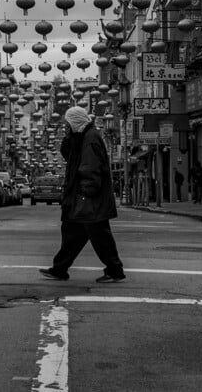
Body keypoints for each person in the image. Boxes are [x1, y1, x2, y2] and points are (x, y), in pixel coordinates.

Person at [40, 106, 125, 283]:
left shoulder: (90, 138)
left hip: (88, 197)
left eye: (68, 124)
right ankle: (60, 268)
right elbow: (68, 155)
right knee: (72, 233)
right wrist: (69, 137)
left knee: (100, 235)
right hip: (80, 196)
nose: (65, 127)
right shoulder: (81, 137)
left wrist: (87, 191)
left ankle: (115, 270)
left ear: (75, 122)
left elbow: (90, 166)